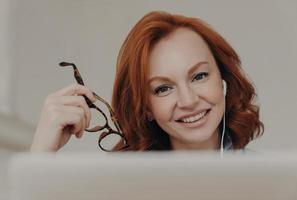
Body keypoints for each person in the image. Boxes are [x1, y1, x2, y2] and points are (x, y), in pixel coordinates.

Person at [31, 11, 264, 152]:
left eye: (199, 76)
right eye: (163, 88)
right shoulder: (114, 188)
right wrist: (41, 152)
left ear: (223, 80)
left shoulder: (273, 185)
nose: (189, 100)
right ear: (146, 108)